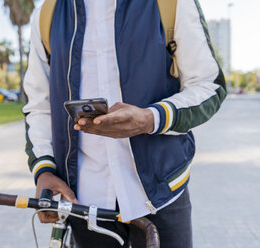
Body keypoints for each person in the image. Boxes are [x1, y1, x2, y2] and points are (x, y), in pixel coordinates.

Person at [22, 0, 226, 247]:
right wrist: (44, 170)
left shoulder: (171, 3)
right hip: (82, 201)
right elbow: (38, 104)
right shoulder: (48, 12)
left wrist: (151, 118)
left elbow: (208, 85)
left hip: (161, 190)